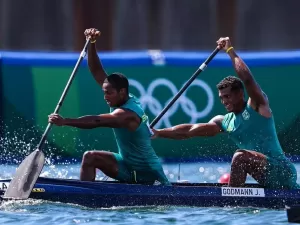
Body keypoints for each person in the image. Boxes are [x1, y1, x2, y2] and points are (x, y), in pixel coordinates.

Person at [151, 37, 299, 189]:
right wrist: (158, 132)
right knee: (240, 158)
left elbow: (247, 79)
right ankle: (235, 199)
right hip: (267, 178)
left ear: (240, 93)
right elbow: (189, 131)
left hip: (282, 172)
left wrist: (230, 51)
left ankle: (232, 203)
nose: (224, 102)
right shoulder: (224, 121)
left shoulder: (257, 106)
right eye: (221, 98)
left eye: (227, 96)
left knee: (239, 157)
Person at [48, 28, 170, 186]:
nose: (105, 97)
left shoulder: (126, 115)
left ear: (122, 92)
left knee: (91, 155)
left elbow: (97, 121)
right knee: (90, 156)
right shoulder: (124, 97)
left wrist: (65, 122)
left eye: (109, 93)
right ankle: (86, 195)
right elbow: (97, 70)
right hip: (126, 164)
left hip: (144, 173)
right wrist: (91, 43)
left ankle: (83, 195)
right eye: (104, 92)